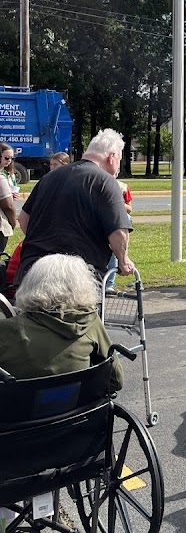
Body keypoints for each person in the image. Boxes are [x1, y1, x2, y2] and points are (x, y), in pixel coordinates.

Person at [16, 129, 134, 286]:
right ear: (112, 157)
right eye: (119, 159)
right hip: (78, 277)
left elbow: (23, 220)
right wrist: (123, 260)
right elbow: (118, 233)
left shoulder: (48, 178)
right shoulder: (106, 181)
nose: (118, 167)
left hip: (33, 270)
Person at [0, 254, 123, 390]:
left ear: (30, 283)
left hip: (18, 408)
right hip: (80, 408)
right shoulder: (90, 323)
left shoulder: (6, 329)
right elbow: (116, 380)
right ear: (82, 286)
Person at [0, 145, 17, 255]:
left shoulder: (8, 175)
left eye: (12, 158)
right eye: (6, 158)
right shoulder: (1, 178)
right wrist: (13, 223)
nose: (9, 161)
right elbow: (8, 206)